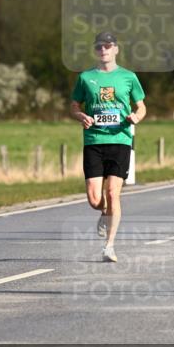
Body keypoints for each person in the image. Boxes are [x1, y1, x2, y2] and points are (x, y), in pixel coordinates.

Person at [70, 32, 146, 262]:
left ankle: (109, 246)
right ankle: (104, 211)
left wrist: (136, 117)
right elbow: (74, 105)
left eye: (108, 45)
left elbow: (141, 106)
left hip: (120, 140)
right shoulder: (85, 78)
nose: (103, 49)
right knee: (95, 200)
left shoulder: (128, 77)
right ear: (95, 50)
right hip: (94, 141)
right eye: (99, 46)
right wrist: (80, 115)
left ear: (116, 49)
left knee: (113, 194)